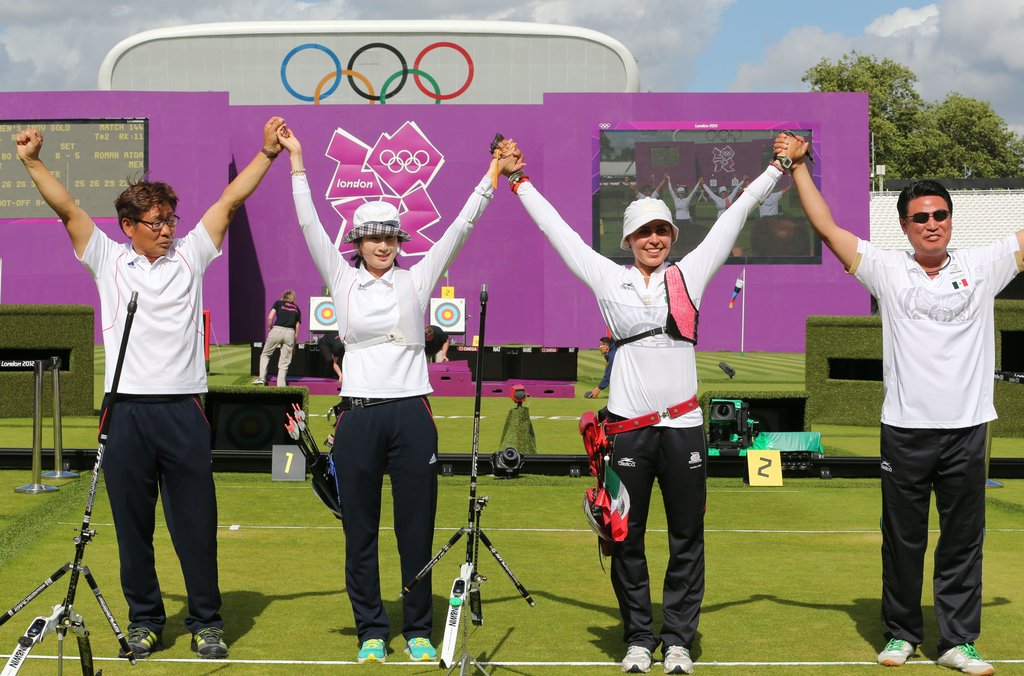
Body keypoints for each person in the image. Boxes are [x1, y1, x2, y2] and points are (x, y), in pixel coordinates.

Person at [501, 139, 786, 674]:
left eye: (661, 231)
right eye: (644, 233)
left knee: (687, 538)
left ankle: (677, 639)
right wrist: (520, 181)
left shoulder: (690, 273)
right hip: (627, 431)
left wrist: (778, 166)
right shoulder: (609, 278)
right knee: (623, 536)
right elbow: (558, 231)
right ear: (629, 239)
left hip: (683, 428)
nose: (653, 240)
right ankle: (638, 637)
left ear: (671, 237)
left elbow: (736, 213)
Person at [15, 116, 288, 661]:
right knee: (133, 529)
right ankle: (144, 621)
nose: (167, 228)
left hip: (184, 410)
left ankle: (207, 622)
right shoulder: (106, 258)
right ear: (128, 225)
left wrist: (267, 154)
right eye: (156, 221)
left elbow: (229, 203)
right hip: (126, 414)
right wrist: (32, 162)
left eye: (170, 219)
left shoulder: (192, 254)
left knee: (195, 526)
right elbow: (67, 208)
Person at [780, 132, 1023, 676]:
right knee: (902, 540)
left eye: (940, 213)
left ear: (951, 220)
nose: (932, 223)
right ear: (905, 226)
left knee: (962, 542)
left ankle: (958, 641)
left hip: (967, 430)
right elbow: (826, 227)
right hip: (906, 430)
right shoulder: (887, 269)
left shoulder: (985, 265)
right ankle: (901, 634)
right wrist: (798, 167)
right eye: (921, 217)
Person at [276, 124, 504, 664]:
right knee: (360, 532)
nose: (382, 245)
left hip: (410, 416)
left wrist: (492, 176)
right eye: (372, 237)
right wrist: (298, 163)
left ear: (400, 241)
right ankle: (372, 630)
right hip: (357, 418)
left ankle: (419, 628)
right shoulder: (341, 276)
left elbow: (461, 227)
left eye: (391, 237)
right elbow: (309, 221)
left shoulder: (416, 280)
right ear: (356, 242)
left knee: (415, 530)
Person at [253, 289, 302, 386]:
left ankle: (262, 378)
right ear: (293, 299)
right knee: (284, 363)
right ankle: (281, 385)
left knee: (265, 354)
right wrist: (294, 343)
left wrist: (270, 328)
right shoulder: (297, 308)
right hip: (290, 334)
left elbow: (270, 317)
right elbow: (297, 328)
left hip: (277, 330)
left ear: (284, 297)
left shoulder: (278, 303)